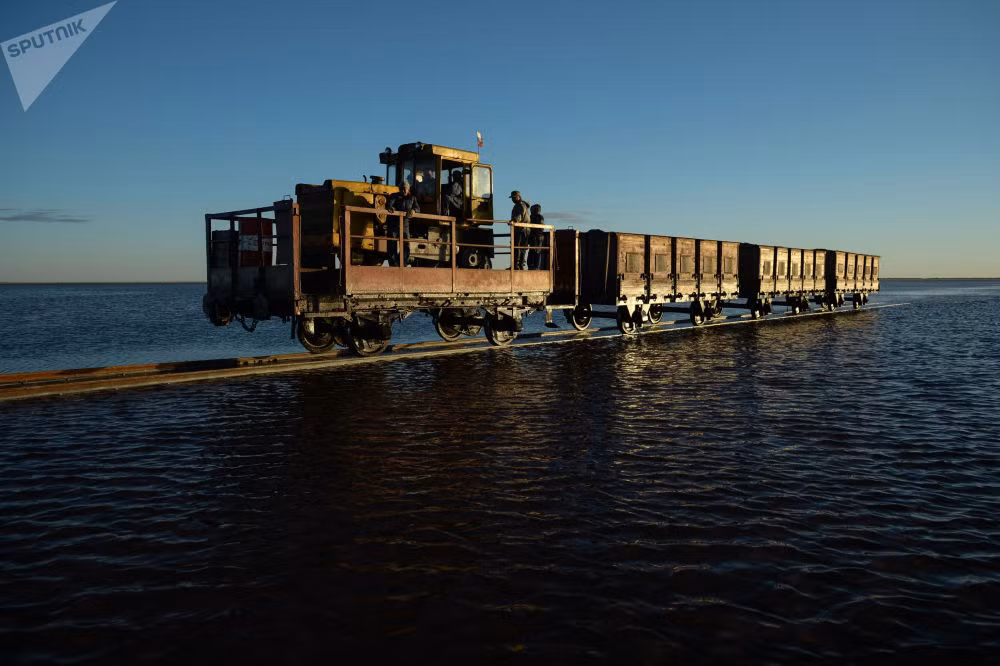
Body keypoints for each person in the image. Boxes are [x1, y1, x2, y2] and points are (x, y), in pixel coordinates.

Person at [386, 181, 419, 266]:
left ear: (408, 189)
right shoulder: (394, 196)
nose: (403, 191)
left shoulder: (412, 198)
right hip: (393, 223)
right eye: (401, 189)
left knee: (406, 244)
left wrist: (413, 210)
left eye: (405, 189)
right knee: (392, 243)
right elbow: (389, 204)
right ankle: (393, 264)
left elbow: (417, 208)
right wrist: (390, 207)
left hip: (405, 224)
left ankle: (403, 263)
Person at [510, 190, 531, 269]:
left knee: (518, 247)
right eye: (512, 198)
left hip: (521, 230)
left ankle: (517, 265)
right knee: (521, 248)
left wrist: (514, 221)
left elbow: (520, 215)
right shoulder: (520, 205)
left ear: (518, 197)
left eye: (514, 198)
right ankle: (519, 265)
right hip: (523, 229)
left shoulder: (520, 205)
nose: (513, 199)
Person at [528, 203, 546, 270]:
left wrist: (535, 234)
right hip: (534, 237)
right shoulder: (532, 217)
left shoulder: (539, 217)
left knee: (537, 252)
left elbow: (541, 228)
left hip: (537, 237)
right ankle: (532, 265)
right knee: (533, 251)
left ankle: (535, 266)